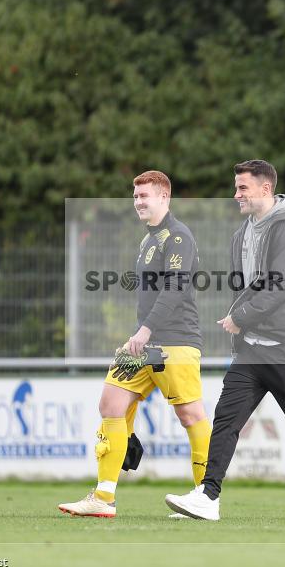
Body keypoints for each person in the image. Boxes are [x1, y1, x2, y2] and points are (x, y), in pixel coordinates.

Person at [164, 159, 285, 521]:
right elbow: (244, 288)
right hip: (250, 352)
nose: (236, 195)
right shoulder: (242, 233)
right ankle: (208, 496)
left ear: (266, 189)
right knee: (226, 418)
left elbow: (281, 285)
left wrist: (239, 318)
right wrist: (240, 326)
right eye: (236, 187)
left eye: (242, 187)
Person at [59, 170, 210, 518]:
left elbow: (174, 289)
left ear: (164, 198)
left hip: (175, 342)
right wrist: (141, 334)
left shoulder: (178, 238)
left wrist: (144, 331)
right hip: (143, 343)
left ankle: (206, 496)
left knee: (190, 415)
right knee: (111, 403)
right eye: (136, 195)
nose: (138, 202)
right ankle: (103, 498)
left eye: (146, 196)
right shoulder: (148, 241)